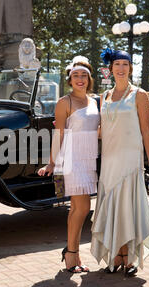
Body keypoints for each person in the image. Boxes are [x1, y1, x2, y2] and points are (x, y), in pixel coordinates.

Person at [90, 49, 149, 276]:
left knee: (127, 206)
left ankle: (130, 257)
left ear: (130, 68)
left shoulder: (139, 94)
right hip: (110, 158)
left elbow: (146, 129)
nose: (121, 68)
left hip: (130, 159)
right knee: (112, 204)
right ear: (110, 69)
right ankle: (116, 255)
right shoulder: (104, 96)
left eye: (125, 64)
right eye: (117, 64)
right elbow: (102, 129)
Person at [38, 56, 100, 273]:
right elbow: (59, 134)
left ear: (90, 78)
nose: (80, 79)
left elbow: (96, 130)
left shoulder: (94, 101)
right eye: (76, 75)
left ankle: (71, 254)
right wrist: (51, 163)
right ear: (70, 79)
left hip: (89, 156)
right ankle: (72, 253)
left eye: (84, 75)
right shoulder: (65, 102)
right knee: (82, 207)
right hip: (71, 157)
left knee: (77, 208)